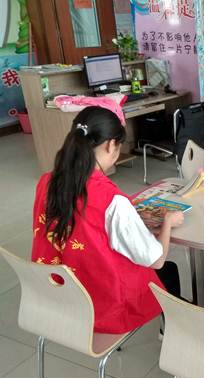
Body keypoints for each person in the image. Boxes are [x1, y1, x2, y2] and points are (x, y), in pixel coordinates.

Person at [31, 106, 184, 334]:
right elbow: (156, 260)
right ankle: (174, 332)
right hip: (103, 308)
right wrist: (168, 222)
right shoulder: (112, 201)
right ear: (111, 145)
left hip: (59, 296)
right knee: (168, 270)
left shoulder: (46, 181)